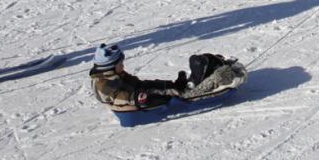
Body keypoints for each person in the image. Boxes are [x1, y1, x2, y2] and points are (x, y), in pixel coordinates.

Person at [89, 43, 245, 112]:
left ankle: (209, 66)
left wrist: (170, 84)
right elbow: (128, 96)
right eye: (120, 63)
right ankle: (221, 76)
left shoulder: (112, 76)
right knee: (185, 93)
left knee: (176, 83)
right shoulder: (105, 84)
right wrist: (171, 90)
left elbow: (140, 84)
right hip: (143, 102)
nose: (123, 65)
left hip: (141, 95)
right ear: (110, 66)